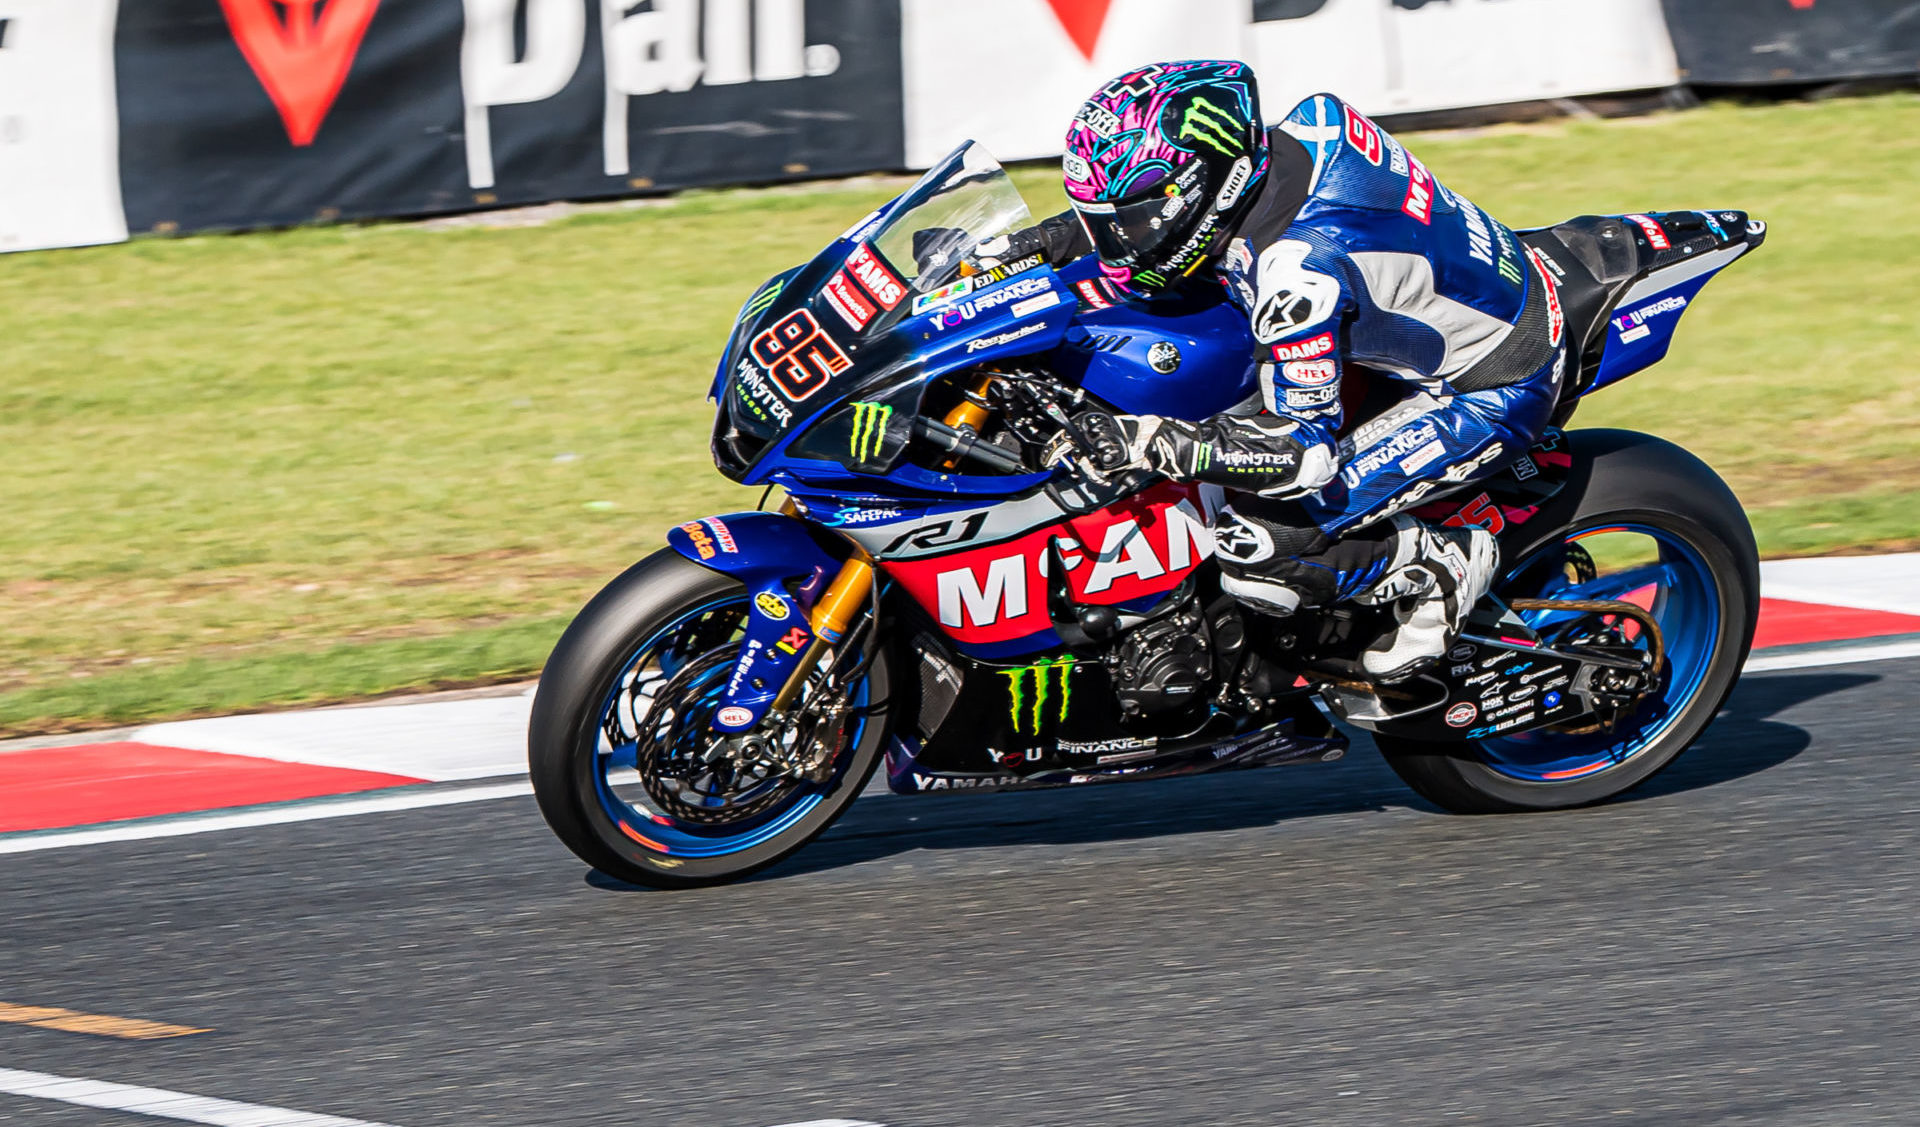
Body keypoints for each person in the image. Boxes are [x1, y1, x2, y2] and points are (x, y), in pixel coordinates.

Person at [989, 59, 1566, 681]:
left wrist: (1147, 441)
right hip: (1451, 298)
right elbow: (1170, 224)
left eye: (1127, 218)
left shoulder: (1297, 278)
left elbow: (1300, 455)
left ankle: (1441, 561)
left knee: (1256, 553)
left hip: (1486, 384)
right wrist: (1048, 241)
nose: (1114, 236)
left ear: (1210, 184)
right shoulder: (1295, 135)